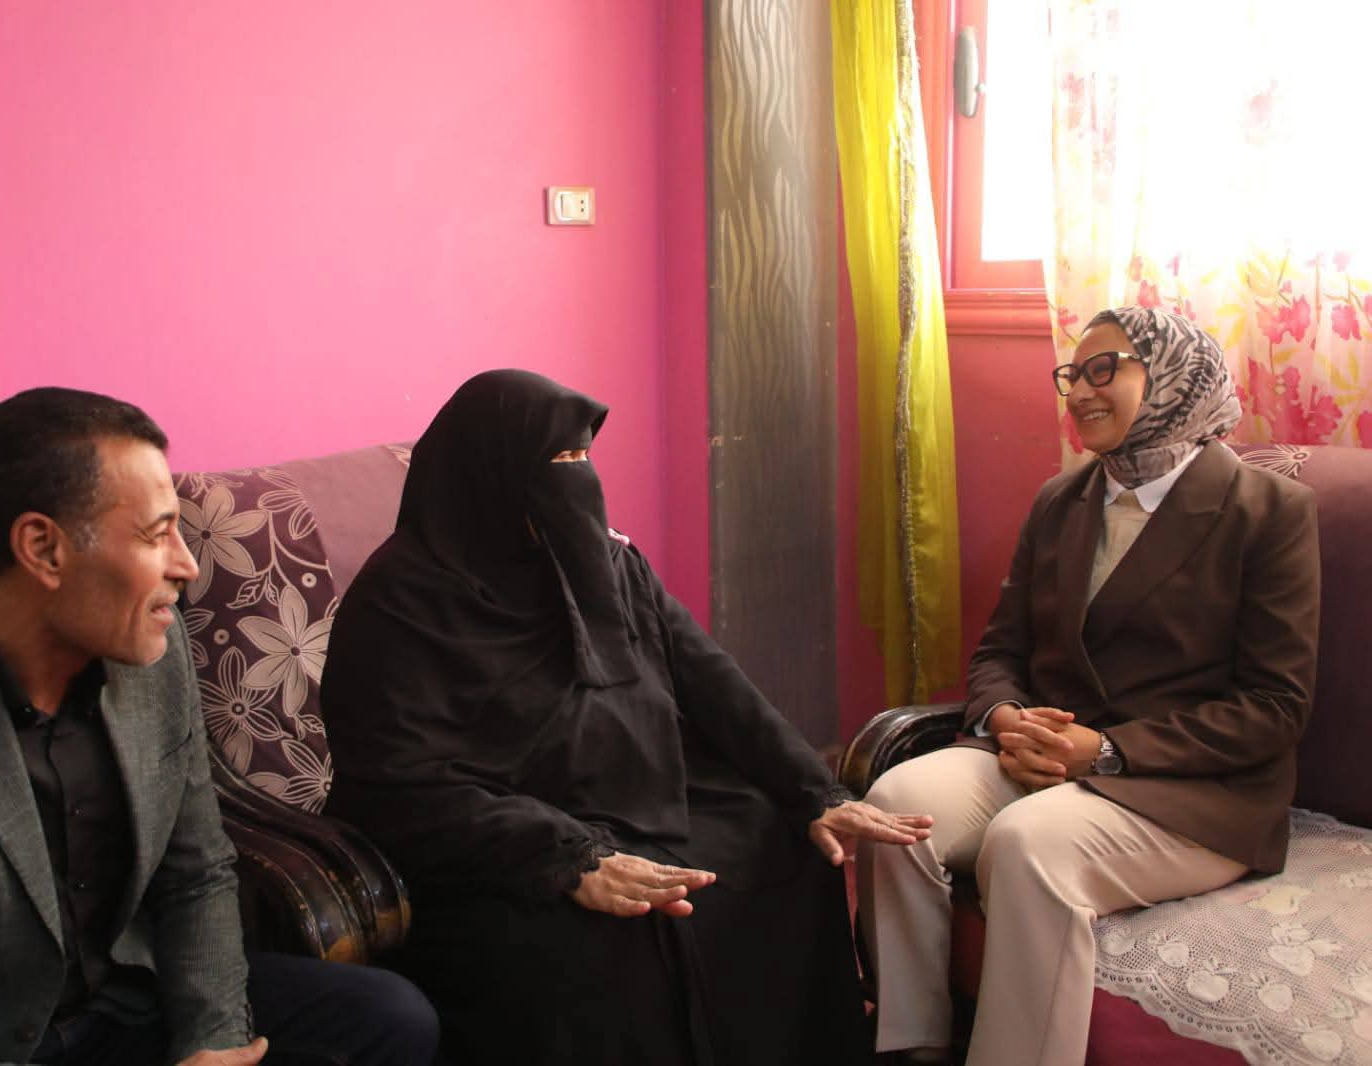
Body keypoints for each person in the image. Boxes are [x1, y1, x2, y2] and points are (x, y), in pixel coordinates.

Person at [0, 388, 439, 1066]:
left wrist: (212, 1043)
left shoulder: (152, 648)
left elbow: (197, 873)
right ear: (43, 548)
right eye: (155, 534)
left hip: (130, 999)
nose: (186, 566)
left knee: (388, 1020)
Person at [320, 369, 933, 1066]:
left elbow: (709, 677)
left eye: (584, 457)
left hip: (638, 791)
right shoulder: (399, 602)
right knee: (612, 934)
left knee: (790, 843)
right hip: (493, 834)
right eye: (558, 461)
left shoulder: (602, 557)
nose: (578, 481)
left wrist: (814, 790)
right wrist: (563, 853)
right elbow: (401, 778)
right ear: (488, 474)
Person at [855, 307, 1321, 1066]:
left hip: (1192, 789)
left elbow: (1275, 707)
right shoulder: (1060, 500)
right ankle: (914, 1042)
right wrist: (1005, 716)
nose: (1078, 392)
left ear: (1173, 377)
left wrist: (1102, 750)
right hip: (1043, 756)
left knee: (1027, 844)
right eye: (1073, 373)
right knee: (893, 807)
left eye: (1105, 369)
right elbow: (1001, 647)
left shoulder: (1267, 511)